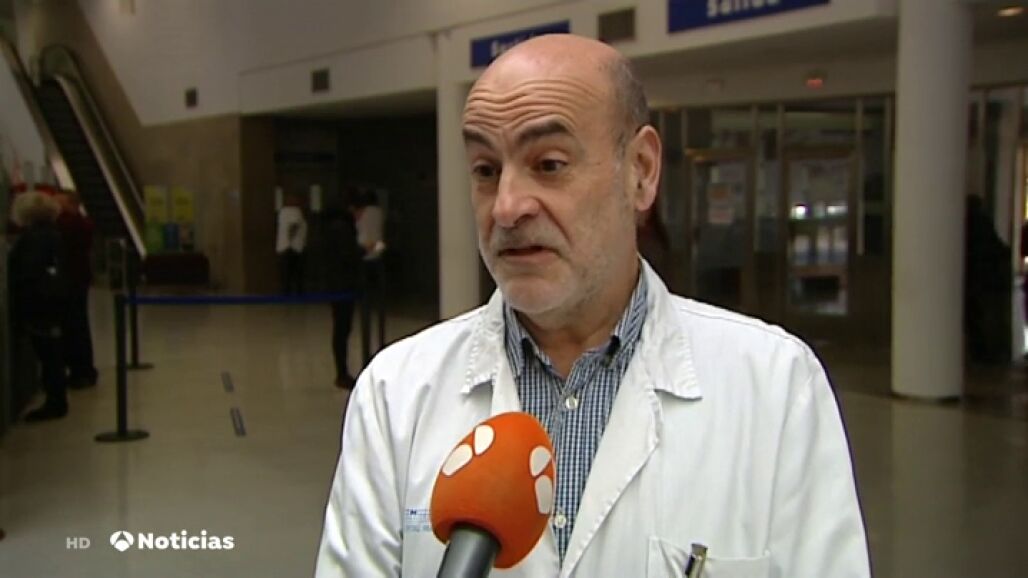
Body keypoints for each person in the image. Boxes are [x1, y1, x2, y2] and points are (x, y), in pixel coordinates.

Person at [316, 34, 869, 577]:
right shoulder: (396, 392)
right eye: (485, 170)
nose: (506, 207)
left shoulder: (776, 385)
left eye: (549, 164)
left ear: (641, 171)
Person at [8, 190, 71, 422]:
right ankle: (56, 398)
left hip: (40, 305)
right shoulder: (52, 234)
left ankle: (55, 401)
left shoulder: (34, 239)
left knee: (49, 355)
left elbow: (28, 273)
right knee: (52, 353)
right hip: (51, 302)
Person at [55, 189, 98, 389]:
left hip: (72, 280)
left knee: (75, 326)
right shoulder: (81, 223)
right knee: (77, 325)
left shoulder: (72, 224)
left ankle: (81, 370)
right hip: (77, 278)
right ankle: (81, 369)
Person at [325, 193, 364, 390]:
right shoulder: (343, 228)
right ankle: (341, 373)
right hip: (342, 284)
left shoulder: (336, 226)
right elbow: (347, 254)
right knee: (341, 329)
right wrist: (363, 250)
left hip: (338, 283)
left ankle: (342, 371)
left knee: (342, 329)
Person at [276, 194, 308, 295]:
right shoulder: (295, 211)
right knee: (297, 274)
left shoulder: (282, 212)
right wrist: (290, 241)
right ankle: (297, 294)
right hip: (294, 248)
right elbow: (294, 225)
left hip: (284, 247)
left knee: (286, 275)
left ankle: (286, 294)